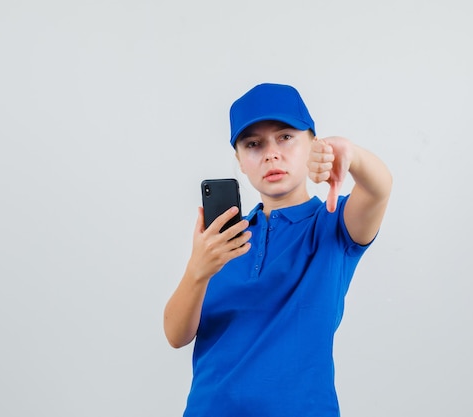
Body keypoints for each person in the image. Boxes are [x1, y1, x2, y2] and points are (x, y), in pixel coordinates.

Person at [163, 83, 392, 416]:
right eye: (253, 144)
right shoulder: (222, 241)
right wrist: (197, 270)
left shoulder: (333, 224)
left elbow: (379, 190)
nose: (271, 153)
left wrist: (352, 155)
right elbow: (175, 334)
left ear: (313, 143)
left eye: (285, 137)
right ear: (240, 161)